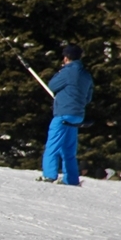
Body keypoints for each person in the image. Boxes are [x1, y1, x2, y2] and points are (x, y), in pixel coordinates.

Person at [40, 44, 93, 185]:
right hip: (77, 115)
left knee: (53, 146)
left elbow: (52, 85)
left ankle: (49, 175)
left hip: (63, 113)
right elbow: (88, 97)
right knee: (69, 149)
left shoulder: (67, 72)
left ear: (66, 57)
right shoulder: (86, 75)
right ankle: (71, 179)